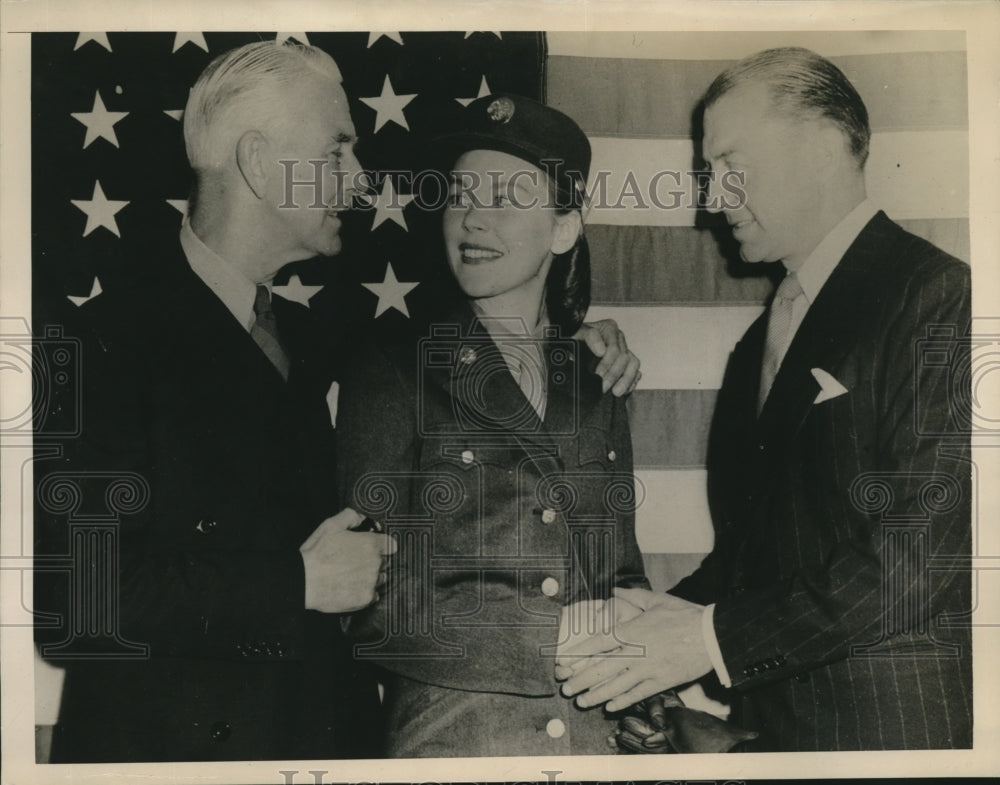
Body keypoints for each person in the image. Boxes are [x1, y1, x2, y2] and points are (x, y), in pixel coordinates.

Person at [33, 41, 642, 763]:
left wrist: (584, 338)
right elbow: (74, 601)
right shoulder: (102, 342)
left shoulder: (310, 336)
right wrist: (298, 581)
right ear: (260, 163)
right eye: (338, 150)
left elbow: (497, 349)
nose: (357, 182)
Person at [556, 47, 973, 751]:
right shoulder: (759, 343)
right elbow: (759, 550)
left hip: (893, 743)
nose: (711, 198)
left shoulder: (940, 297)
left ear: (820, 146)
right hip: (778, 735)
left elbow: (921, 557)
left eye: (728, 165)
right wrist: (656, 619)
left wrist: (704, 638)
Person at [335, 94, 650, 757]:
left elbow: (619, 574)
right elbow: (367, 599)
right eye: (459, 195)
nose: (472, 219)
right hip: (456, 742)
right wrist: (549, 637)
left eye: (505, 198)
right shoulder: (393, 370)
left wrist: (651, 694)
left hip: (598, 743)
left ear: (563, 229)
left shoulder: (596, 377)